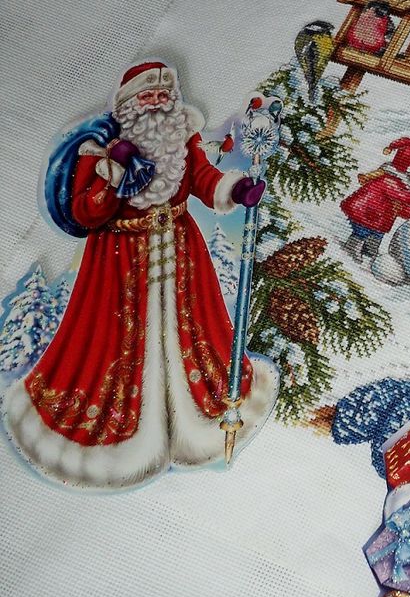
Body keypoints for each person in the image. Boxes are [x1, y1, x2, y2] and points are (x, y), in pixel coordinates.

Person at [2, 62, 278, 490]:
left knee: (192, 332)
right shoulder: (98, 149)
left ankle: (193, 425)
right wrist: (111, 176)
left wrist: (235, 189)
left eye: (164, 94)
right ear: (128, 102)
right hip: (119, 262)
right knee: (114, 342)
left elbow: (202, 178)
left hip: (181, 253)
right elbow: (85, 212)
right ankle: (121, 439)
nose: (157, 102)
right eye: (147, 95)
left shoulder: (182, 137)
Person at [340, 137, 410, 264]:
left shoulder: (402, 185)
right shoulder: (389, 180)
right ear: (409, 167)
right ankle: (352, 248)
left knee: (376, 237)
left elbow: (399, 207)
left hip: (379, 219)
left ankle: (369, 252)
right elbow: (402, 196)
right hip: (364, 212)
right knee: (361, 232)